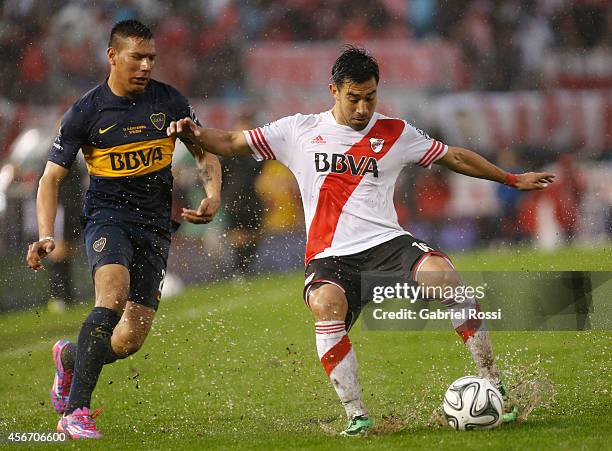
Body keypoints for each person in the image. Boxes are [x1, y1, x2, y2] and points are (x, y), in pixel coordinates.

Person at [167, 46, 555, 436]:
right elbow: (234, 141)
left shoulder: (396, 132)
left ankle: (495, 386)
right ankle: (358, 416)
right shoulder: (298, 130)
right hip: (330, 256)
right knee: (325, 304)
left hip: (387, 243)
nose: (362, 108)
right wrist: (195, 134)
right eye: (354, 98)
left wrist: (510, 178)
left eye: (370, 98)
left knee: (446, 277)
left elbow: (452, 156)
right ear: (333, 90)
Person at [25, 20, 221, 439]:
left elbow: (205, 153)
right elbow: (50, 179)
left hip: (156, 226)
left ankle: (72, 358)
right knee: (111, 294)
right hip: (108, 219)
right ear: (112, 56)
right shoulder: (86, 111)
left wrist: (213, 194)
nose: (146, 65)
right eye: (137, 57)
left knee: (130, 338)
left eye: (151, 57)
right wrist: (46, 233)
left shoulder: (170, 102)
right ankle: (76, 411)